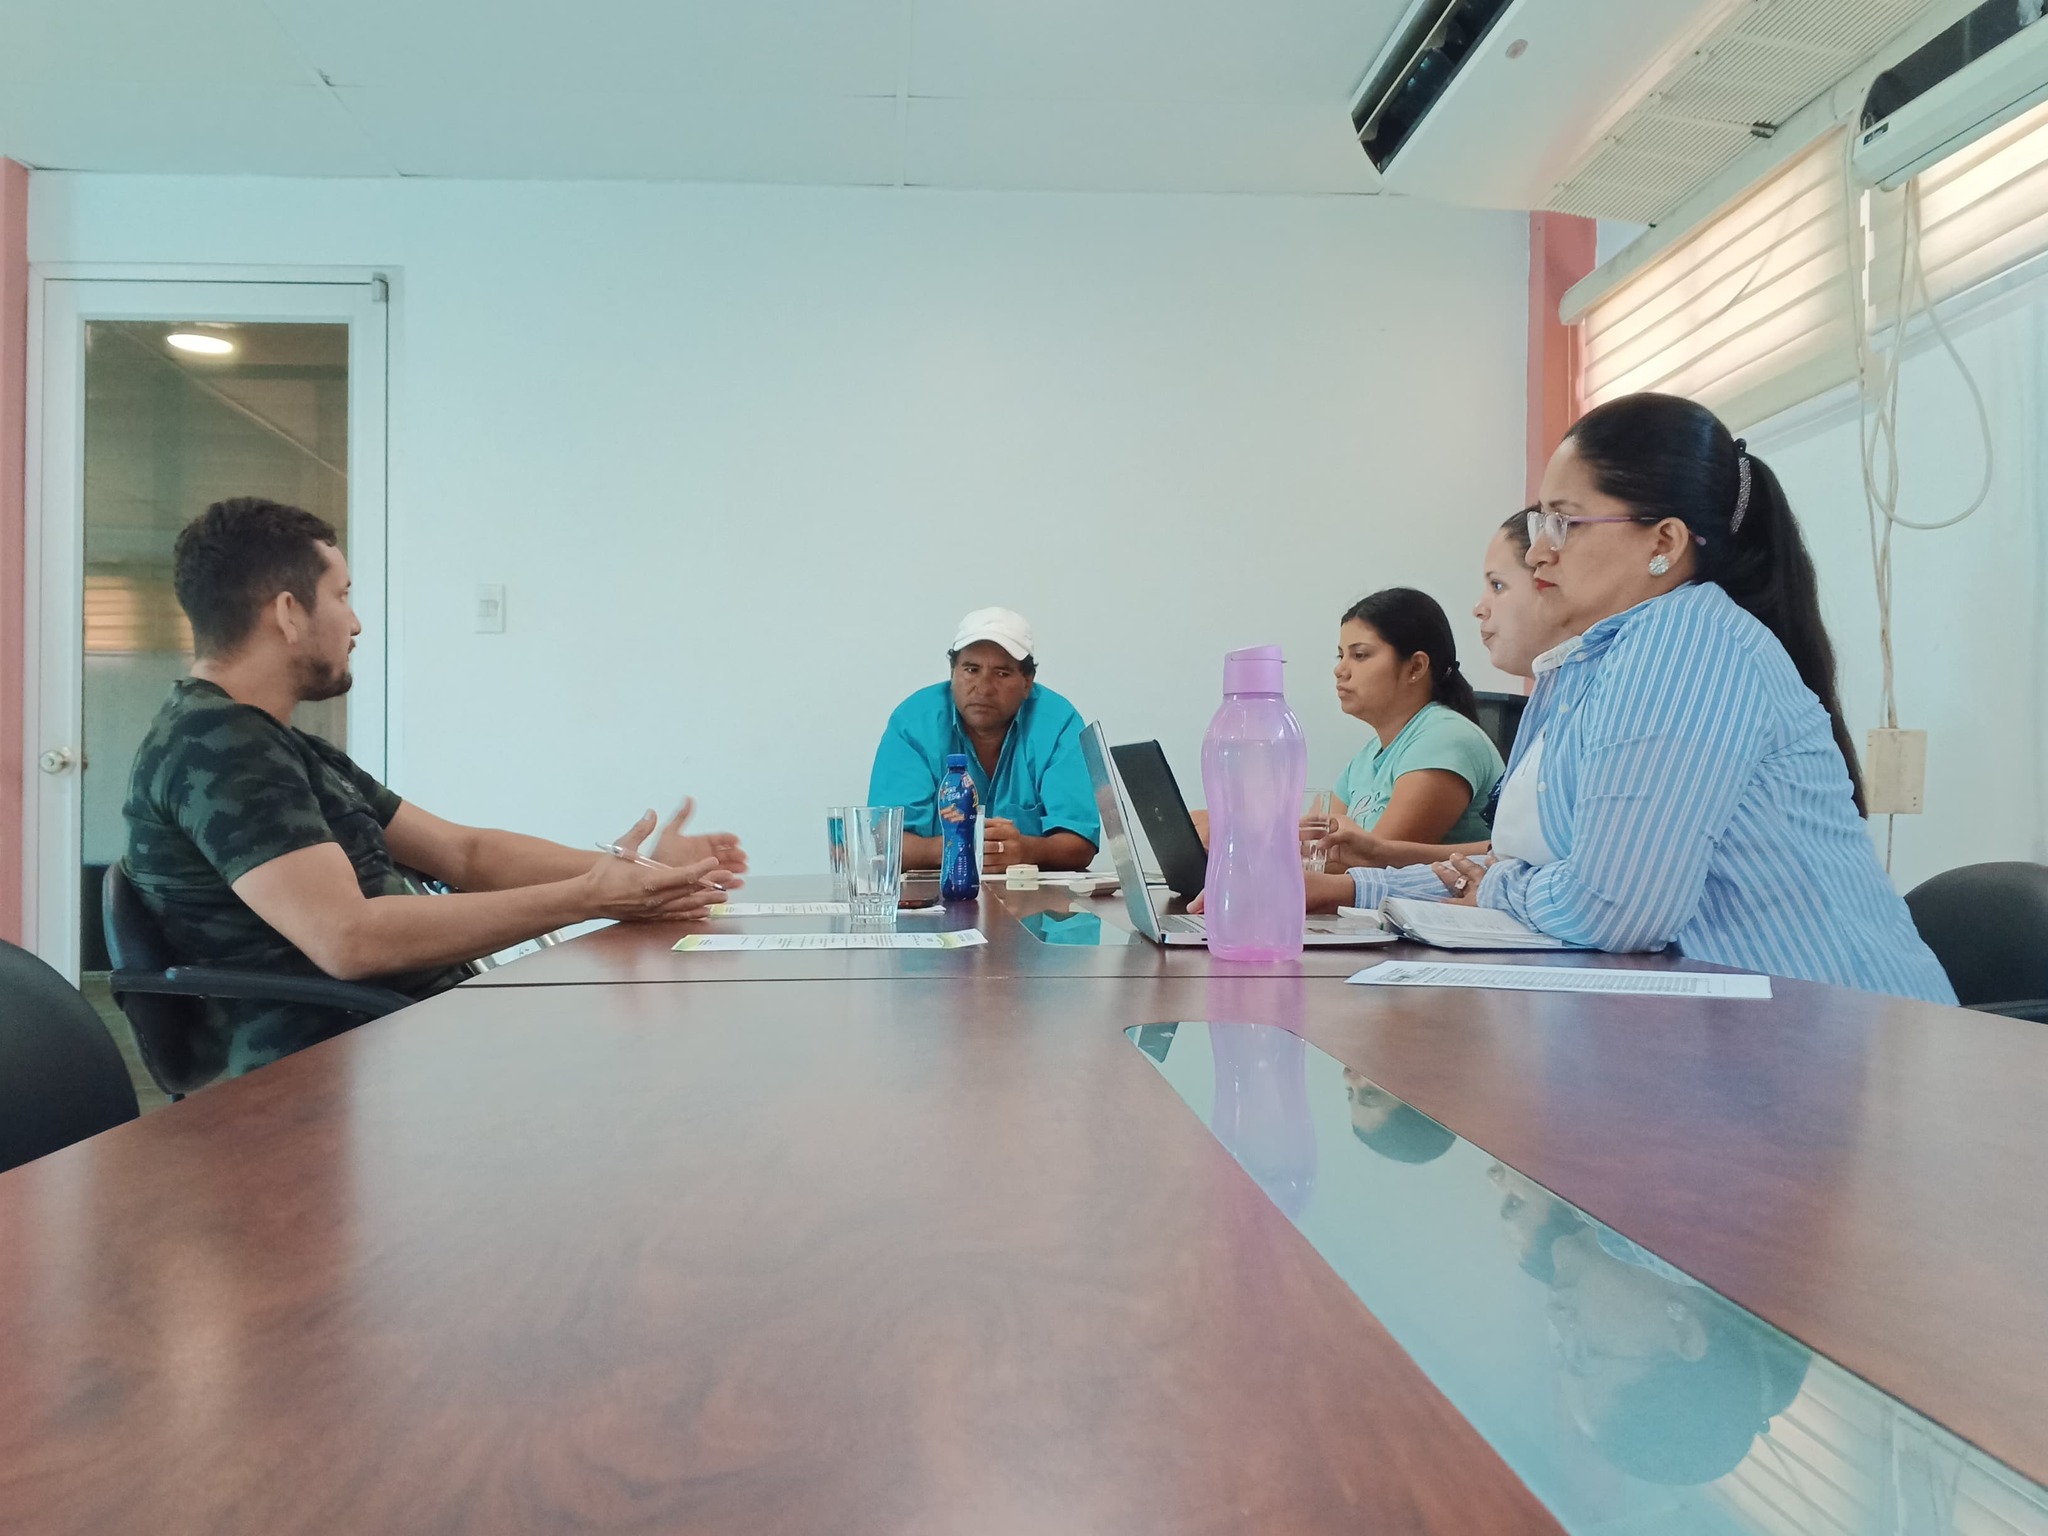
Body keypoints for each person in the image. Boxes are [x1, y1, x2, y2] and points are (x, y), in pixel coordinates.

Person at [1345, 392, 1956, 1005]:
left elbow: (1615, 908)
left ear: (1663, 542)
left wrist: (1502, 887)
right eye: (1541, 522)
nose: (1537, 551)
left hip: (1848, 1029)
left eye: (1565, 522)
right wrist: (1355, 889)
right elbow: (1525, 869)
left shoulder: (1686, 640)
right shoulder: (1590, 662)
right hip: (1742, 1024)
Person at [123, 497, 747, 1081]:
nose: (355, 622)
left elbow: (464, 853)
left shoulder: (278, 744)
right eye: (341, 596)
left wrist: (644, 874)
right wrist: (589, 897)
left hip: (400, 1041)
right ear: (288, 613)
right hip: (330, 1072)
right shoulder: (216, 746)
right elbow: (349, 939)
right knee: (678, 1063)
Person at [1316, 510, 1568, 874]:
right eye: (1340, 655)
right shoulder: (1367, 757)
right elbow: (1315, 851)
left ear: (1416, 667)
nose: (1341, 669)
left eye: (1360, 655)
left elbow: (1367, 866)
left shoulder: (1444, 737)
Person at [868, 607, 1099, 873]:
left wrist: (1026, 850)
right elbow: (887, 843)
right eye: (971, 669)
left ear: (1027, 682)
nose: (984, 687)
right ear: (952, 672)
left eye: (1002, 673)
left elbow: (1081, 842)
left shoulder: (1058, 722)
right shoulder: (914, 723)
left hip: (1031, 896)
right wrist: (963, 846)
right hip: (938, 893)